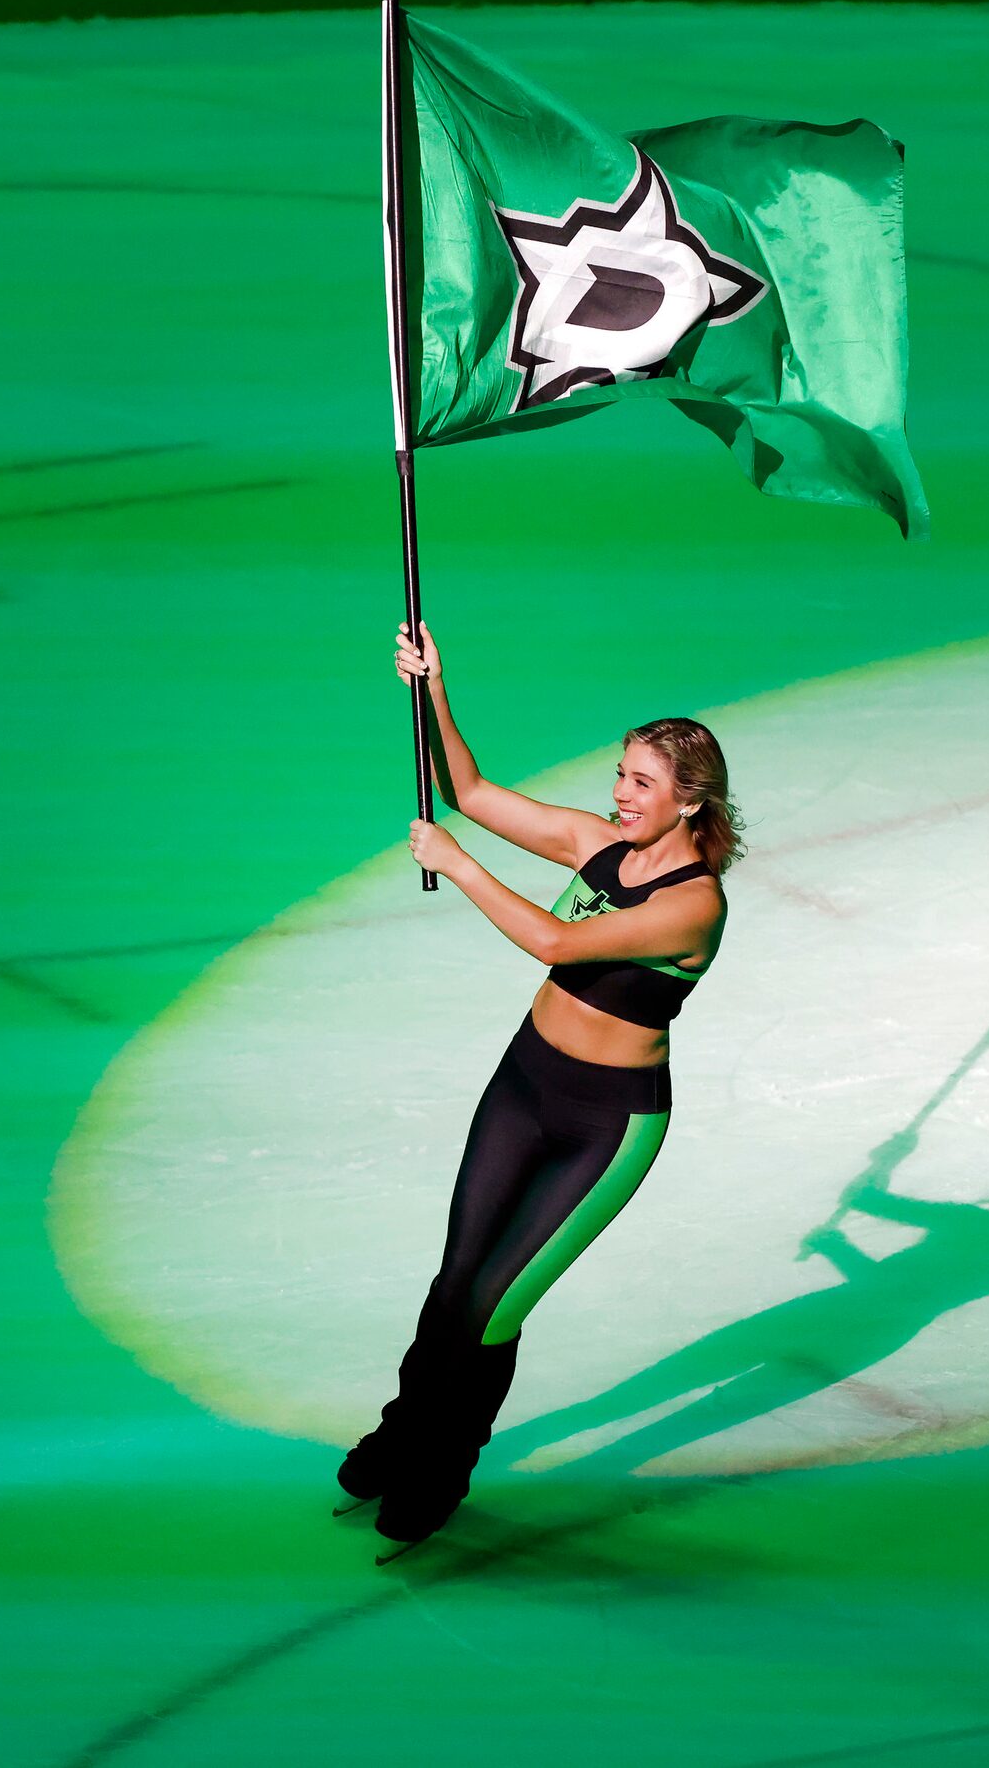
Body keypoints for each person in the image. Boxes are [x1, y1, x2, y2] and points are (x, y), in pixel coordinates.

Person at [338, 619, 742, 1550]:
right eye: (621, 774)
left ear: (689, 802)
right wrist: (434, 688)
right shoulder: (596, 844)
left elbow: (558, 943)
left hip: (605, 1126)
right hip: (525, 1085)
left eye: (642, 782)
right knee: (454, 1285)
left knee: (493, 1304)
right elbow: (469, 791)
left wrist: (460, 867)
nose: (620, 792)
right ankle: (400, 1438)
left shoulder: (693, 905)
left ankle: (440, 1471)